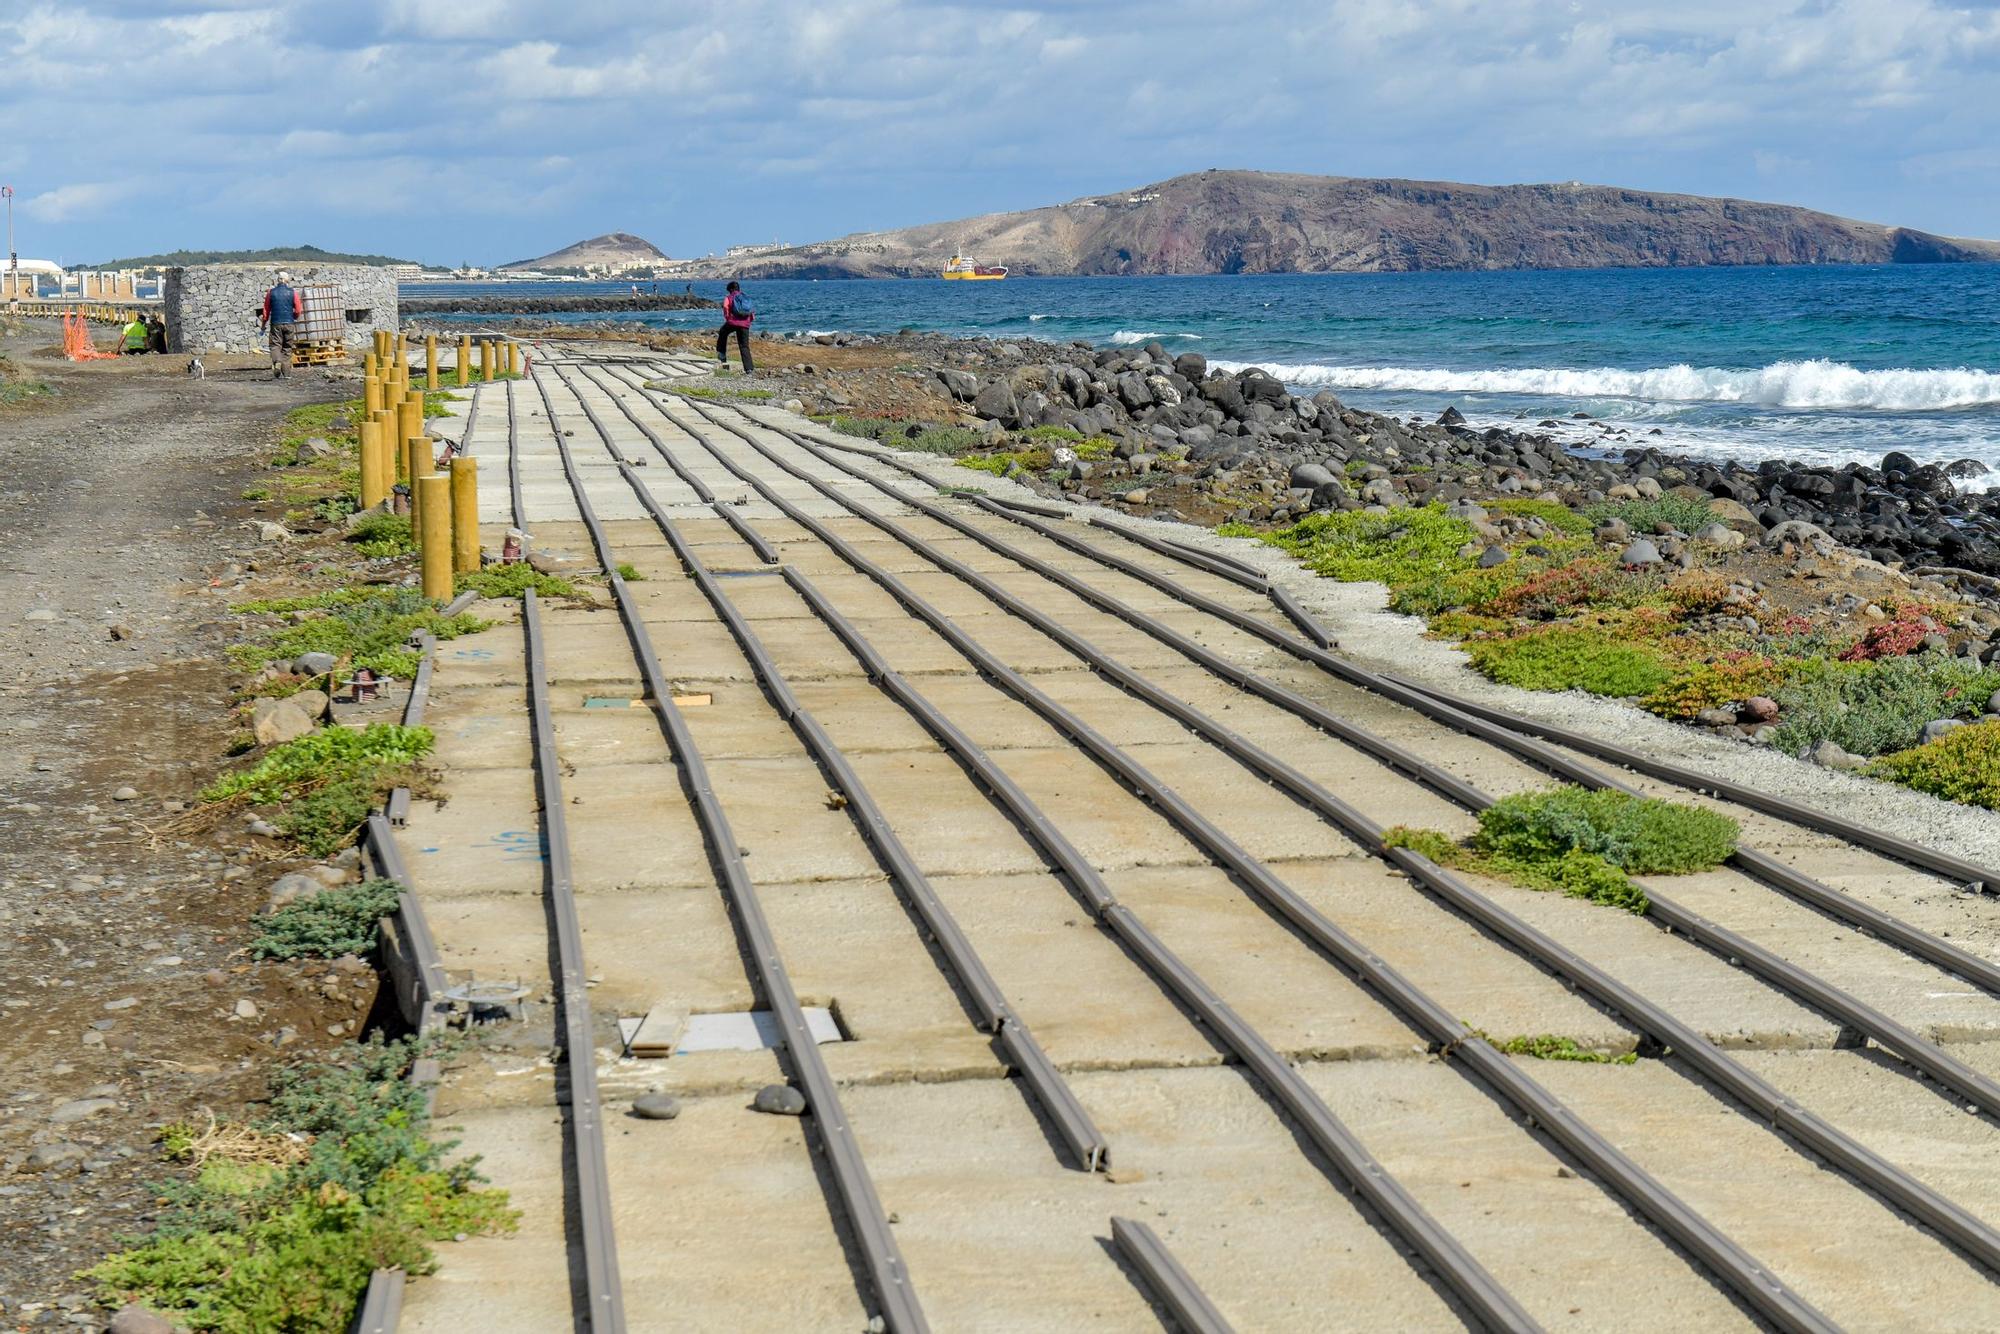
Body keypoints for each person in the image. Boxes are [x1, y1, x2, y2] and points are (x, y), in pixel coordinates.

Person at [259, 270, 304, 379]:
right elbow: (298, 309)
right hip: (289, 323)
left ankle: (277, 362)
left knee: (275, 345)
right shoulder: (292, 292)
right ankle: (287, 374)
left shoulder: (271, 292)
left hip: (276, 323)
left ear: (277, 280)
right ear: (287, 280)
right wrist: (294, 317)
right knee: (287, 348)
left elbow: (266, 311)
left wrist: (264, 324)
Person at [716, 280, 754, 373]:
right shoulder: (745, 297)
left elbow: (725, 307)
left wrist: (728, 318)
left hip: (733, 322)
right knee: (744, 346)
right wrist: (748, 321)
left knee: (722, 332)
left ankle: (722, 355)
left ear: (731, 289)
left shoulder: (729, 297)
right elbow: (751, 311)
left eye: (729, 290)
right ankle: (749, 369)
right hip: (745, 324)